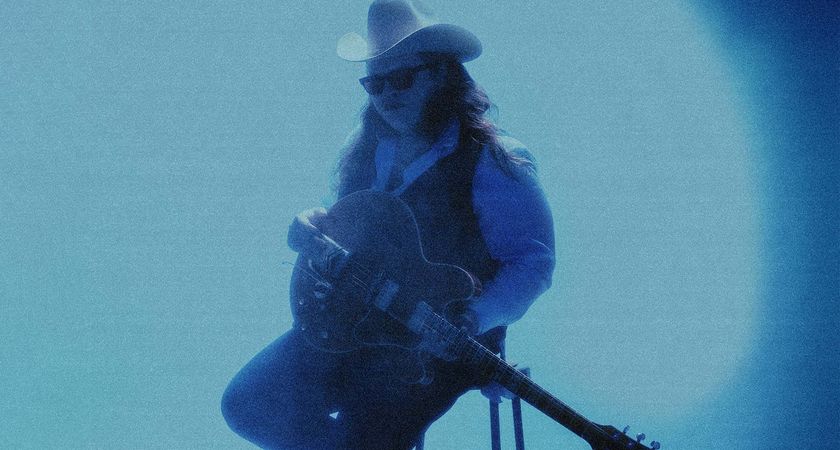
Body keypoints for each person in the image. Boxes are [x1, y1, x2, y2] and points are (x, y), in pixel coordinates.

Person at [221, 1, 555, 448]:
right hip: (354, 331)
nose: (386, 94)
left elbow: (532, 262)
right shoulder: (362, 152)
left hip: (431, 356)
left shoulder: (493, 158)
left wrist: (472, 320)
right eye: (374, 83)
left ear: (439, 73)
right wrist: (311, 227)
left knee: (366, 431)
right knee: (248, 403)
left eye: (400, 78)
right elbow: (339, 229)